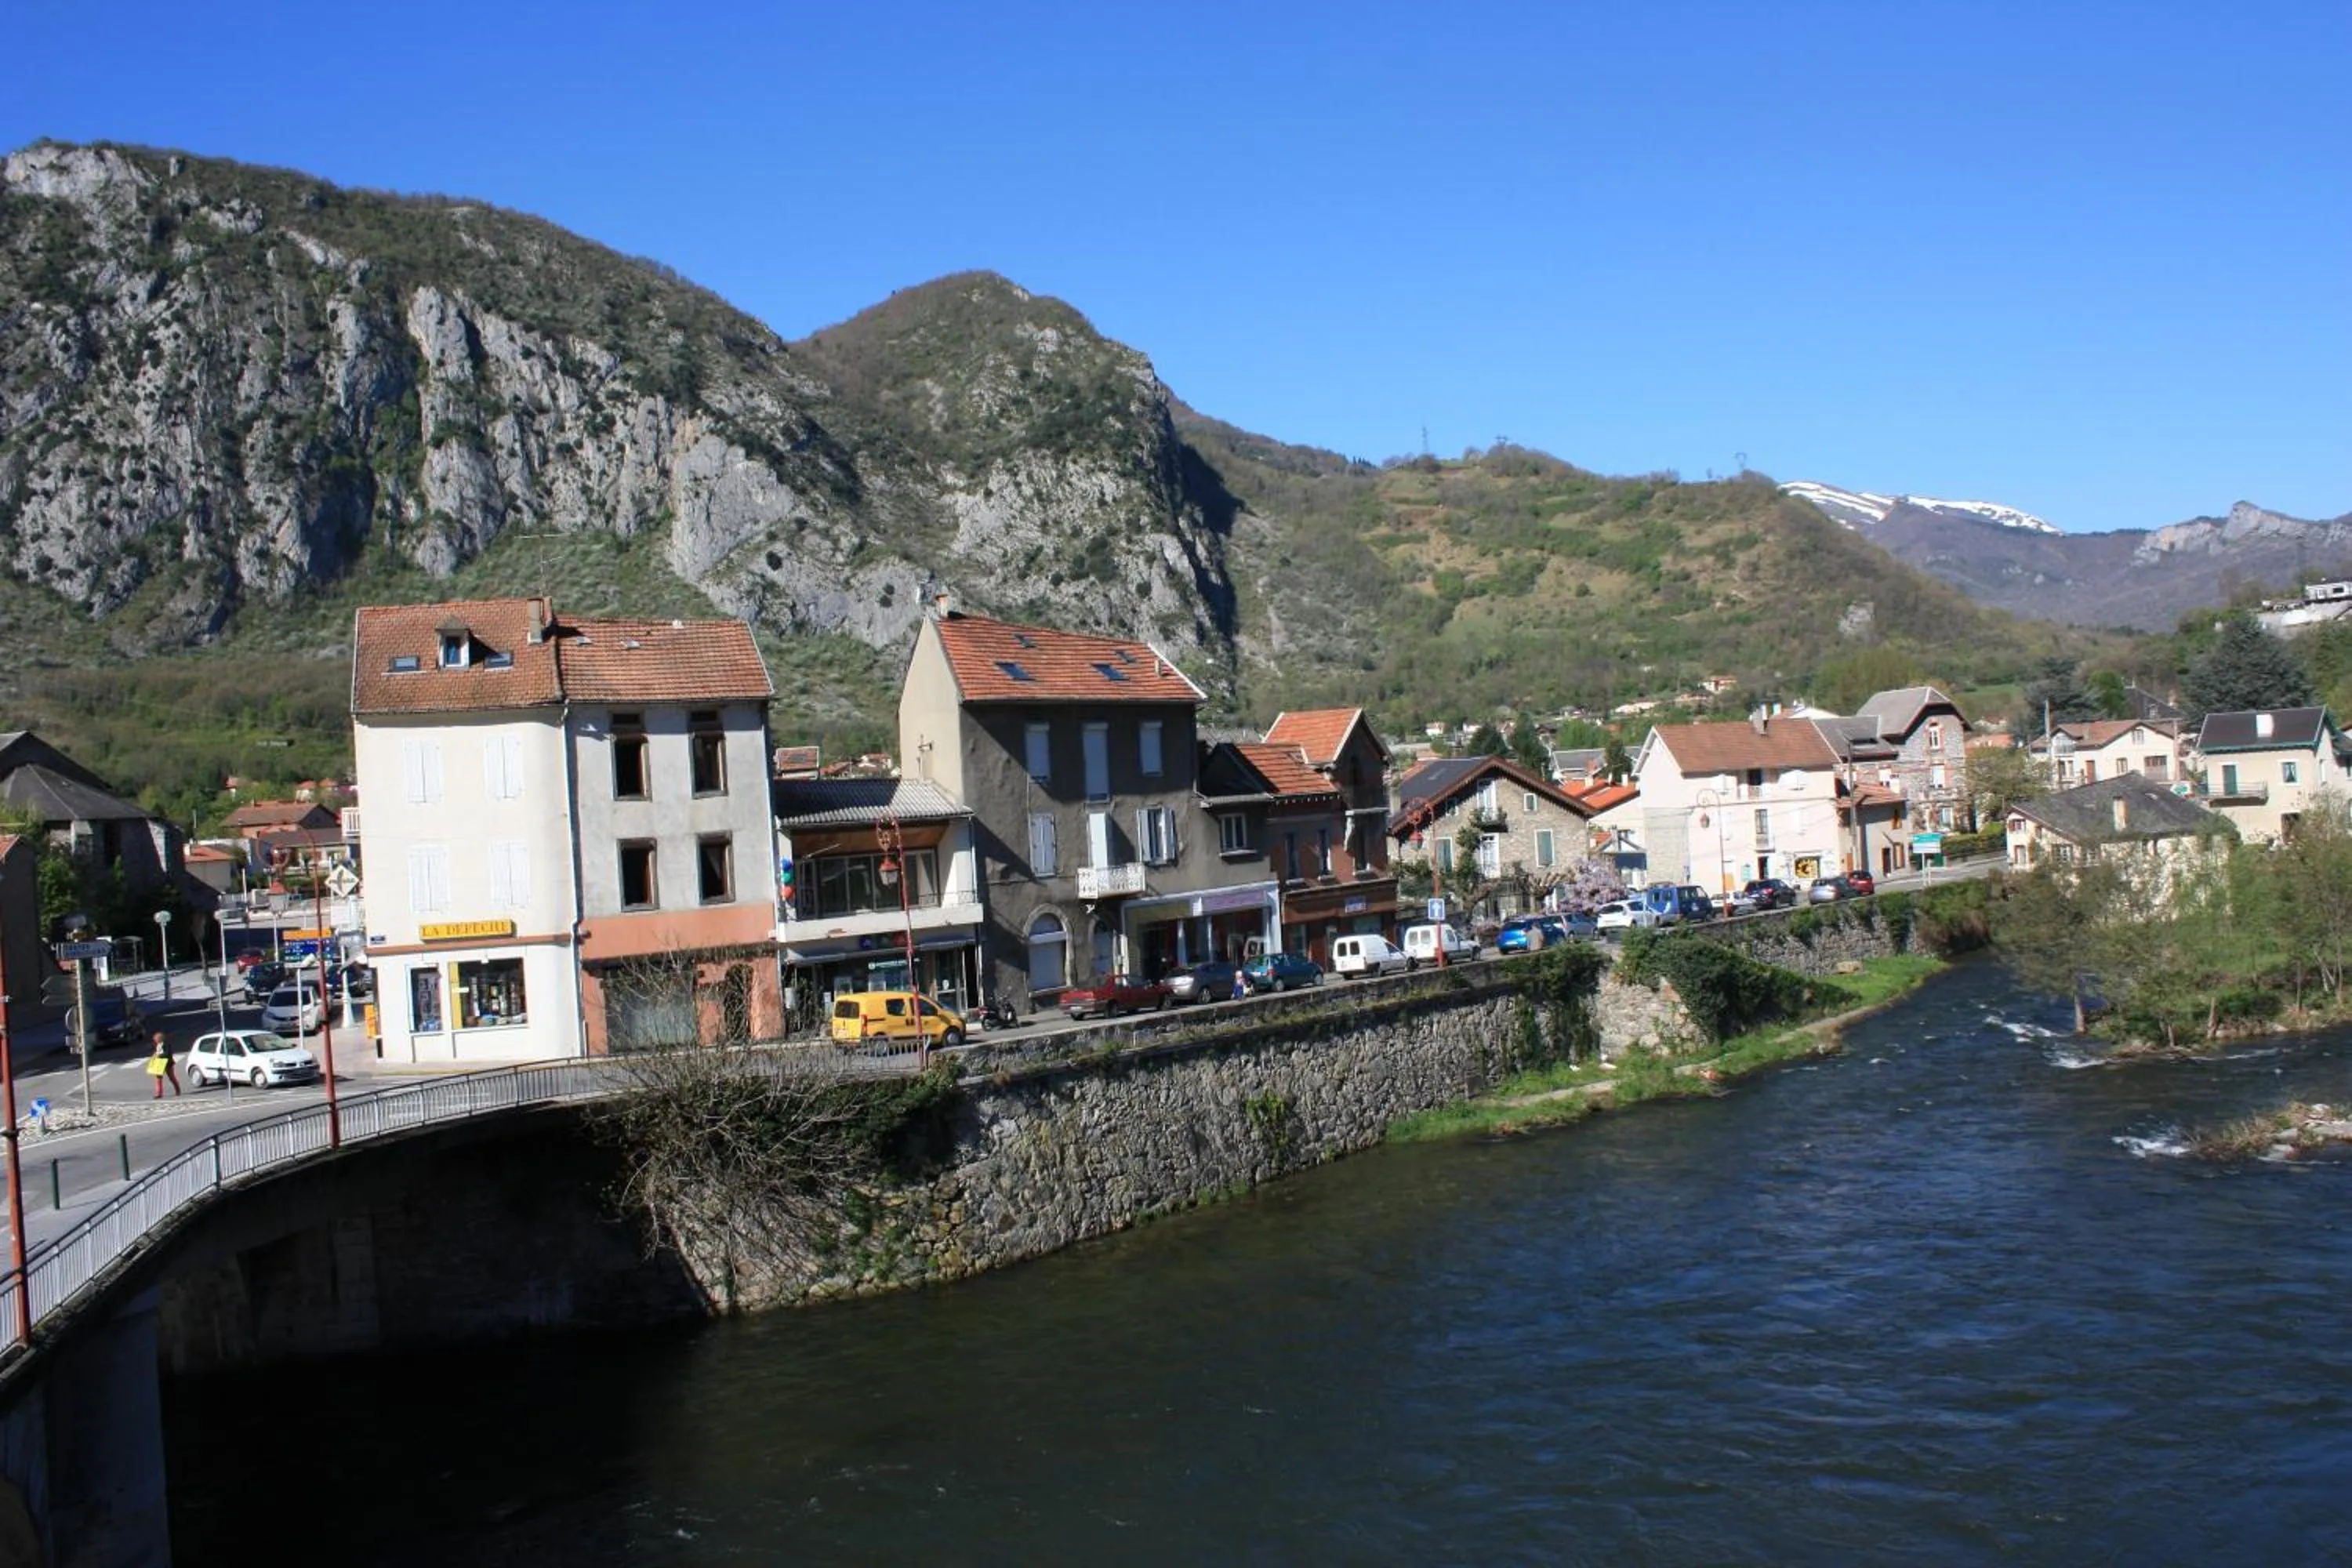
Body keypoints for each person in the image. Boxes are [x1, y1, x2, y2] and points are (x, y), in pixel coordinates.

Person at [146, 1032, 182, 1098]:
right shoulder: (157, 1045)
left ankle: (178, 1090)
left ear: (160, 1039)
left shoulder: (166, 1044)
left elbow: (168, 1053)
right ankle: (159, 1094)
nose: (155, 1040)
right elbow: (156, 1052)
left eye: (156, 1039)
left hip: (168, 1064)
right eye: (155, 1039)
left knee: (172, 1078)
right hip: (159, 1064)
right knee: (158, 1079)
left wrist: (160, 1055)